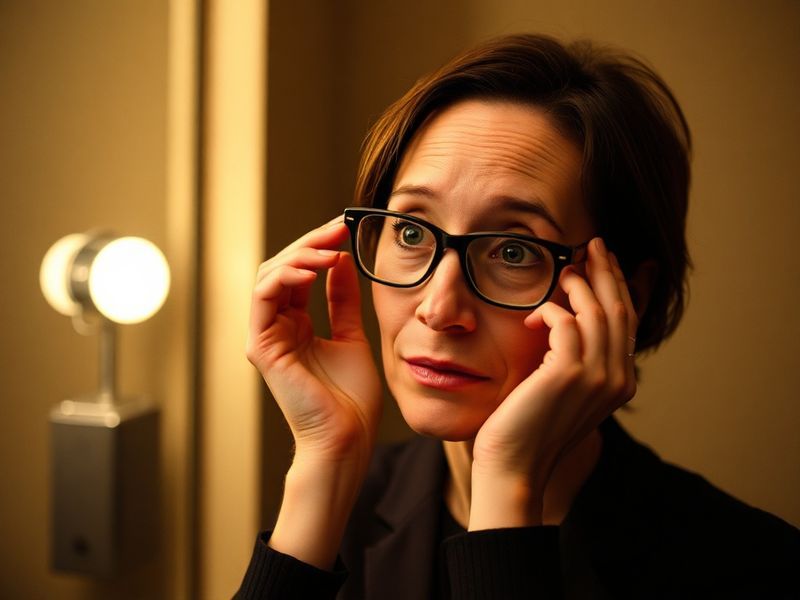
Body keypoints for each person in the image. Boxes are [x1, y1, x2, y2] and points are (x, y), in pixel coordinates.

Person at [236, 34, 799, 599]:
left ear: (625, 294)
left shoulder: (750, 566)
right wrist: (323, 463)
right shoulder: (336, 509)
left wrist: (508, 482)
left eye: (513, 251)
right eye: (410, 231)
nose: (439, 308)